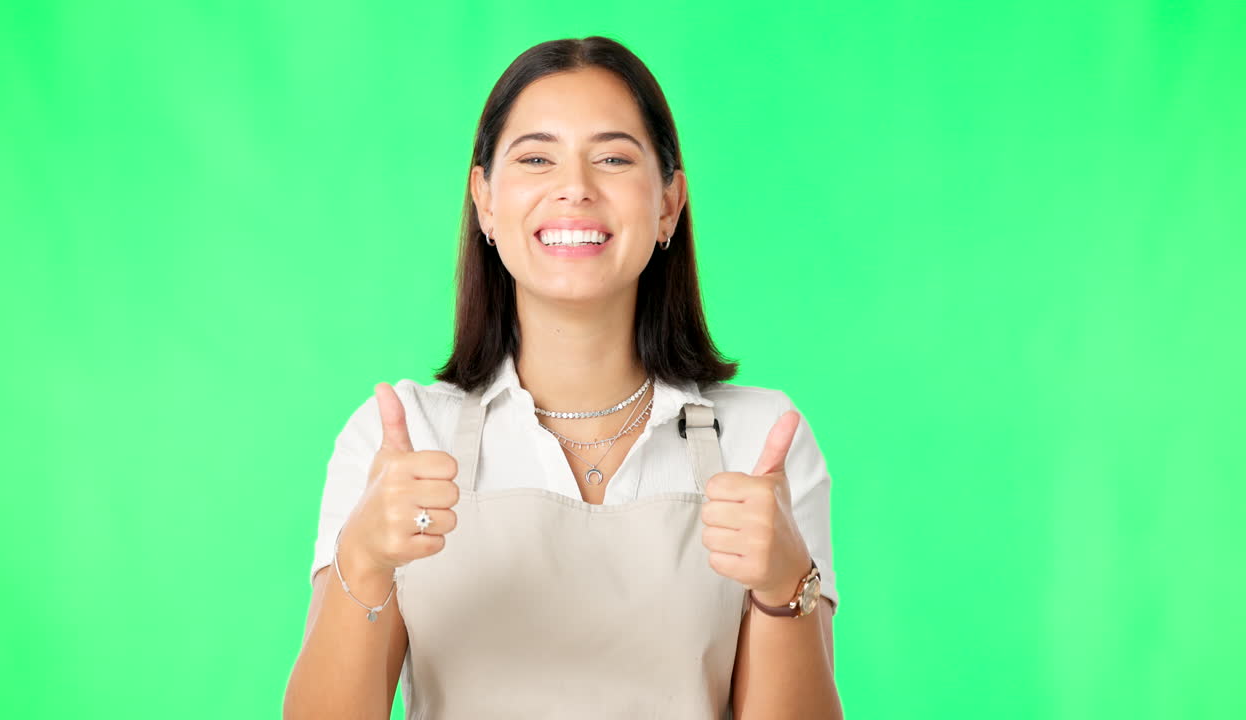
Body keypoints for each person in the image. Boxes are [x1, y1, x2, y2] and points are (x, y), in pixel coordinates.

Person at [284, 36, 842, 720]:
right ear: (485, 201)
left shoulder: (762, 444)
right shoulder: (396, 441)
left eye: (612, 158)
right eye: (537, 158)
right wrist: (364, 557)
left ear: (669, 203)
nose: (574, 187)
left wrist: (784, 583)